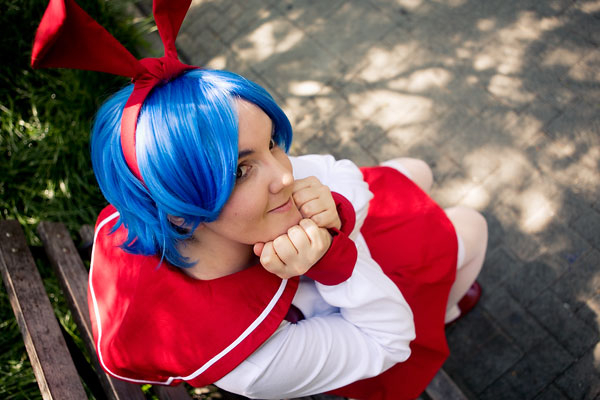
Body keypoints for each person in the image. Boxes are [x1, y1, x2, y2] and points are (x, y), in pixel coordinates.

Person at [31, 1, 487, 399]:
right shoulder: (251, 361)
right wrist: (331, 258)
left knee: (416, 170)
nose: (285, 174)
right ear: (179, 213)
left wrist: (335, 213)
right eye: (240, 170)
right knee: (471, 224)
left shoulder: (169, 195)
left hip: (335, 251)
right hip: (358, 304)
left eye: (271, 142)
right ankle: (447, 307)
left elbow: (340, 176)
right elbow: (390, 341)